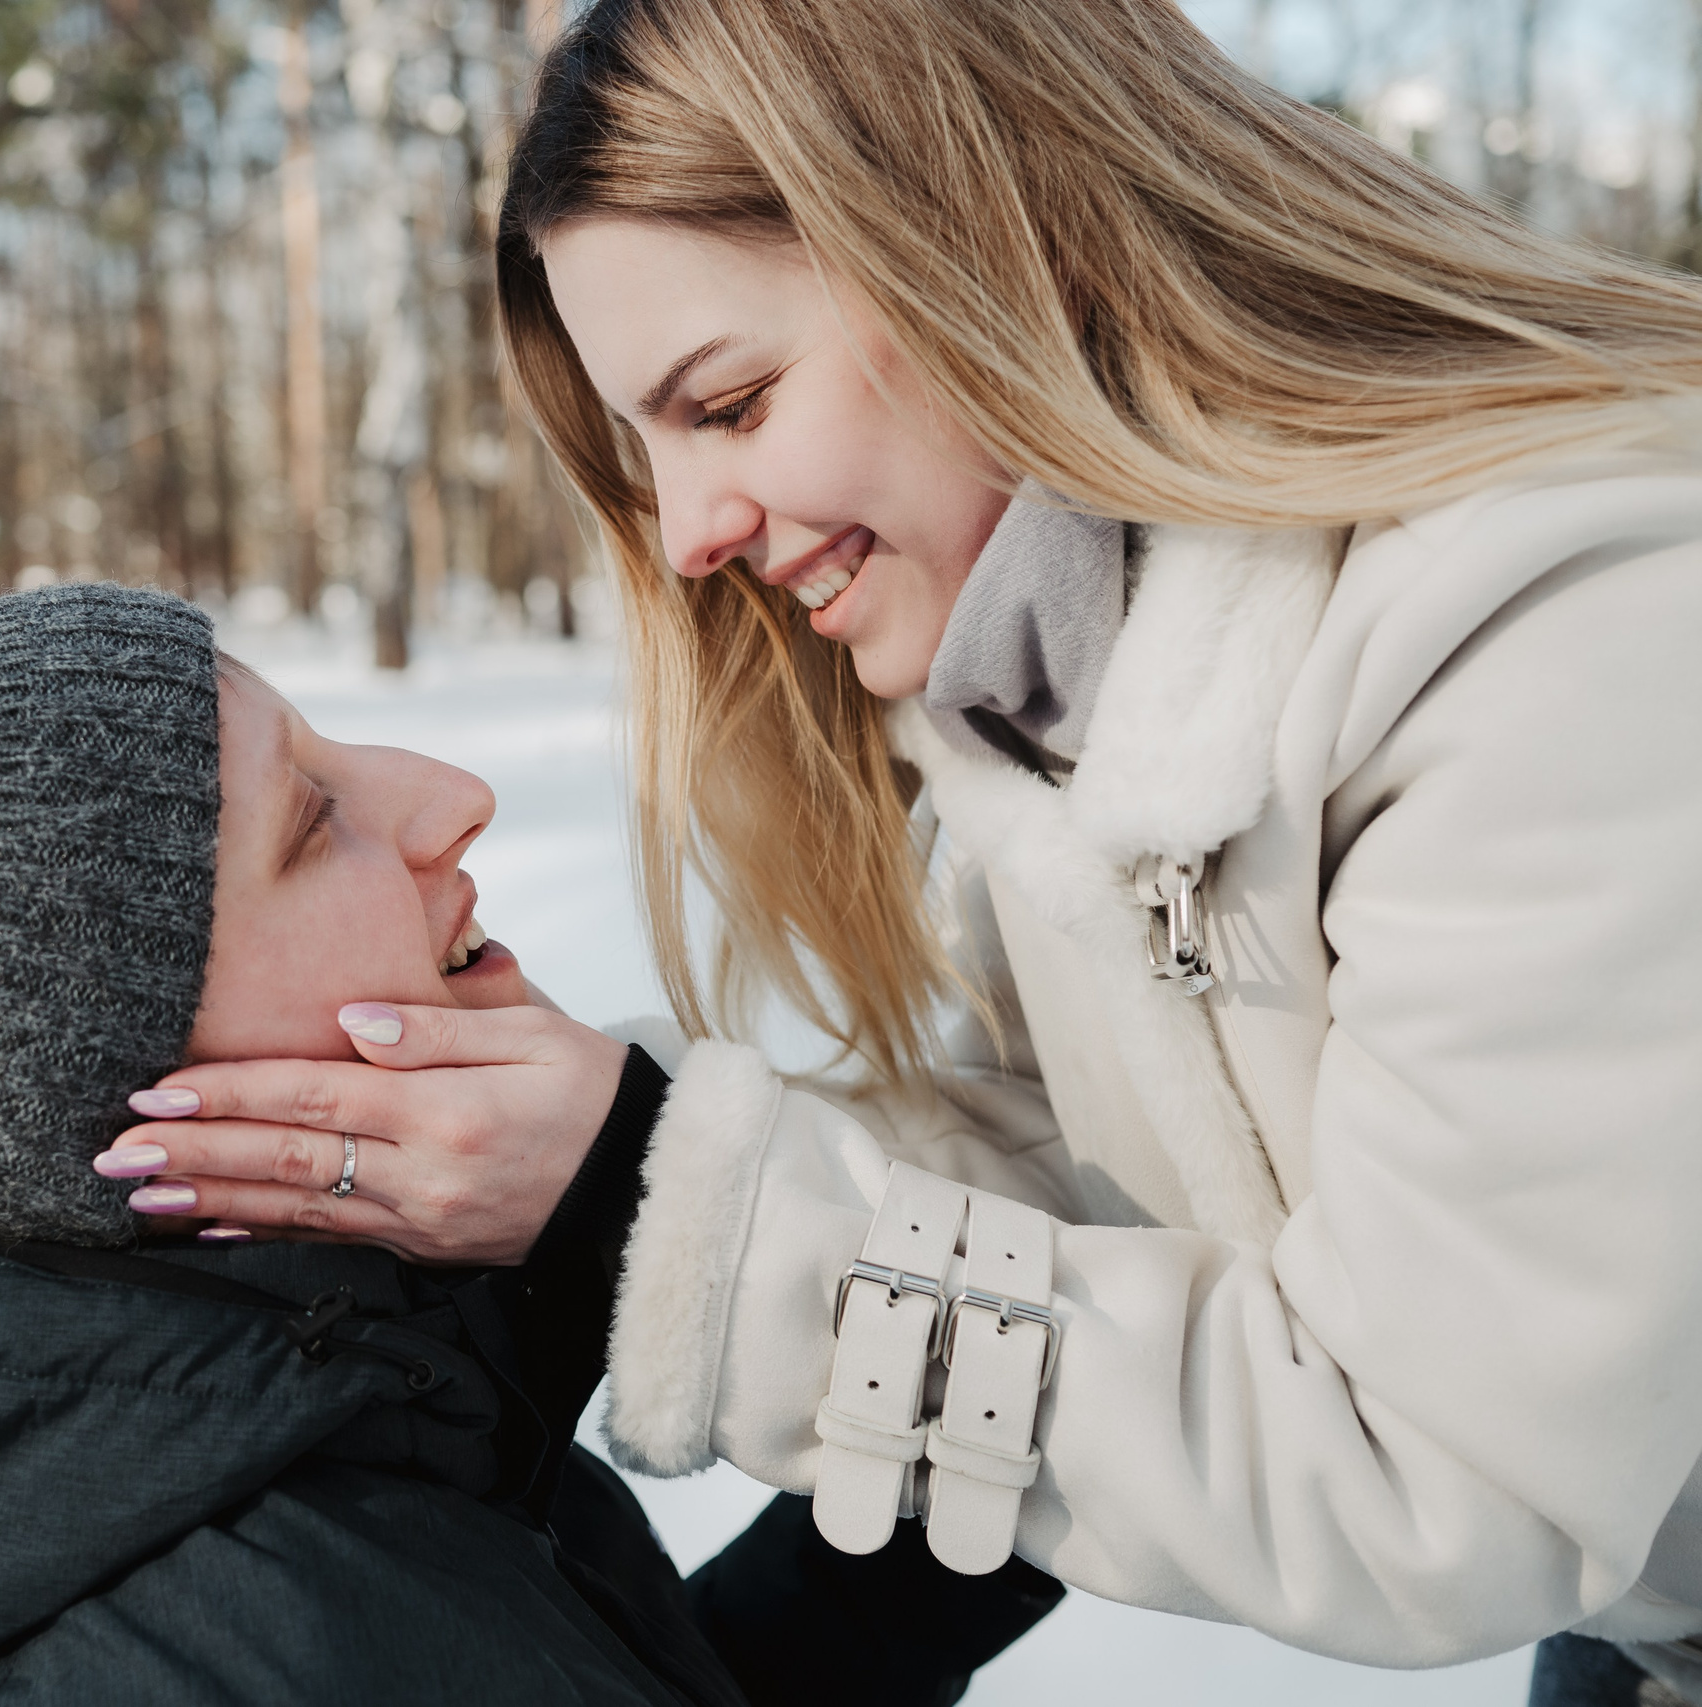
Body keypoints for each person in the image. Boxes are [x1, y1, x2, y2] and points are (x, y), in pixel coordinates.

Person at [106, 3, 1702, 1702]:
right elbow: (1095, 1189)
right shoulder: (1067, 685)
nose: (689, 533)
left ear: (990, 239)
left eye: (729, 403)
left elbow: (1444, 1477)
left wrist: (642, 1194)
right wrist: (601, 1157)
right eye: (649, 452)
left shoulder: (1568, 632)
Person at [0, 584, 1056, 1706]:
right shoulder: (269, 1632)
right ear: (128, 1090)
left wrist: (906, 1563)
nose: (449, 795)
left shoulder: (249, 1412)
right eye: (312, 822)